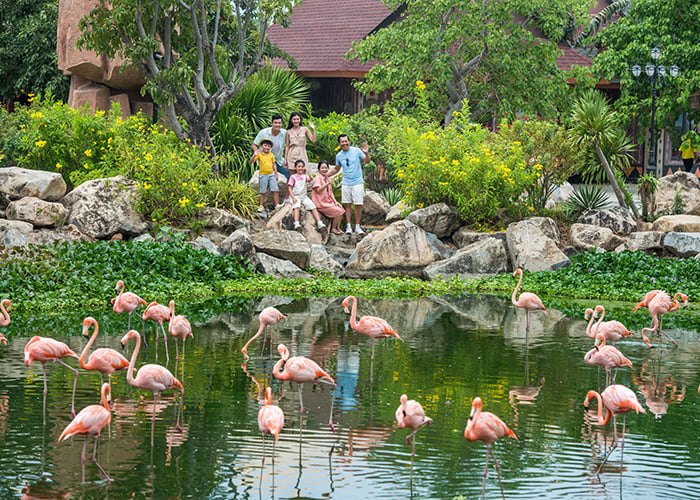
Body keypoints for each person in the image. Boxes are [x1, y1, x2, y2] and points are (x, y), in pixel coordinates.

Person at [329, 134, 370, 234]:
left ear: (349, 142)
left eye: (346, 141)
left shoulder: (356, 151)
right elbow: (336, 169)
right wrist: (325, 175)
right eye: (342, 142)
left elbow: (367, 161)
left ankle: (357, 227)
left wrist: (366, 153)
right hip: (346, 183)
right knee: (347, 205)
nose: (344, 143)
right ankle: (348, 227)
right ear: (339, 144)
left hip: (357, 182)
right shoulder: (339, 155)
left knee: (358, 204)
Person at [288, 160, 326, 230]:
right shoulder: (293, 177)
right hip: (296, 196)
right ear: (295, 167)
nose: (300, 168)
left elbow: (310, 180)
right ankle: (296, 223)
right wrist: (293, 197)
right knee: (297, 206)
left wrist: (311, 178)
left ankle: (319, 222)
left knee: (313, 206)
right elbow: (290, 188)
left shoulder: (305, 176)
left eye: (302, 167)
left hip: (304, 196)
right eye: (299, 166)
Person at [312, 160, 345, 234]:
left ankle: (338, 227)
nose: (324, 170)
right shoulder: (318, 178)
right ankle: (333, 228)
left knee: (341, 208)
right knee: (339, 211)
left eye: (326, 168)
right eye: (322, 168)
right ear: (319, 169)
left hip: (328, 201)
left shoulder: (326, 178)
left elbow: (330, 192)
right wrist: (327, 184)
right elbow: (319, 190)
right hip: (320, 203)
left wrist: (335, 202)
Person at [250, 139, 282, 212]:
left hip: (271, 174)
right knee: (263, 191)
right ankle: (261, 205)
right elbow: (251, 162)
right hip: (263, 175)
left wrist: (276, 173)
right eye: (265, 145)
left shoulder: (271, 155)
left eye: (268, 146)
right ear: (262, 146)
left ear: (270, 147)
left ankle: (277, 205)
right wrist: (253, 155)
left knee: (275, 189)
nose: (267, 147)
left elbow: (274, 164)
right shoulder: (259, 154)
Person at [284, 112, 316, 176]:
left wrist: (313, 129)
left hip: (302, 153)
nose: (296, 121)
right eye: (294, 119)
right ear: (291, 120)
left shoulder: (305, 129)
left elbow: (313, 140)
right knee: (292, 175)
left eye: (298, 119)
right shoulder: (288, 132)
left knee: (303, 173)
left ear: (300, 120)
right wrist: (285, 159)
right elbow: (287, 146)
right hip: (292, 154)